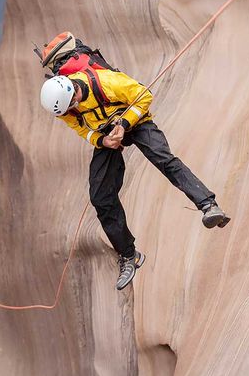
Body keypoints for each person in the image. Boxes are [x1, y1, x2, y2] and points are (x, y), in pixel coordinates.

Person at [40, 67, 229, 290]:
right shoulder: (65, 109)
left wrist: (124, 124)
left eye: (73, 104)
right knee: (100, 197)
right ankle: (129, 255)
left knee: (164, 160)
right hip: (108, 134)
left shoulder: (107, 83)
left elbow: (144, 96)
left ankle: (209, 205)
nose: (73, 110)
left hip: (135, 122)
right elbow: (81, 129)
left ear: (73, 92)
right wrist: (102, 141)